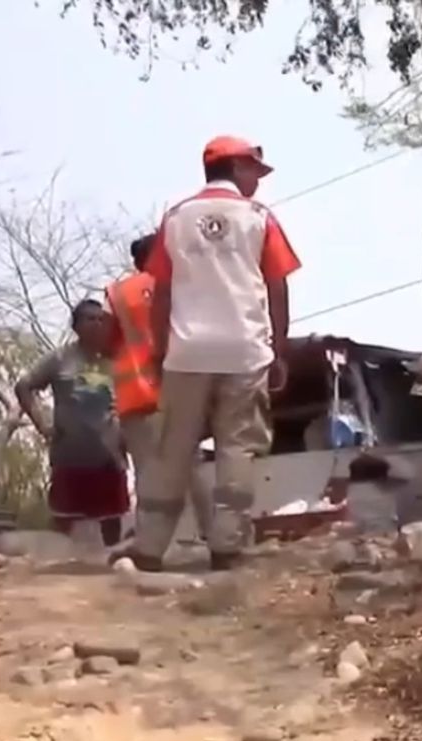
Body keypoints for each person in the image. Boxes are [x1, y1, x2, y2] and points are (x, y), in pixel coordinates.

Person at [132, 135, 301, 571]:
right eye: (255, 173)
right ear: (238, 167)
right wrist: (279, 349)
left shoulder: (175, 218)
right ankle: (227, 546)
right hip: (244, 351)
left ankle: (150, 548)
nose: (258, 183)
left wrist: (159, 350)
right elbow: (277, 285)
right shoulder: (259, 218)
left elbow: (163, 290)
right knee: (236, 447)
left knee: (173, 449)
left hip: (186, 352)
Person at [106, 234, 215, 543]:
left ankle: (150, 541)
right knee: (191, 468)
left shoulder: (118, 293)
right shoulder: (185, 287)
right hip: (179, 390)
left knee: (146, 472)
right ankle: (212, 534)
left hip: (137, 394)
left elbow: (108, 340)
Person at [15, 298, 129, 547]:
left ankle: (111, 571)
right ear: (76, 326)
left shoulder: (118, 360)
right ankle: (53, 573)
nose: (97, 324)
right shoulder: (60, 359)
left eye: (101, 319)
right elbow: (24, 386)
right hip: (70, 454)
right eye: (90, 319)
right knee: (63, 521)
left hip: (109, 455)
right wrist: (43, 425)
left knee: (112, 520)